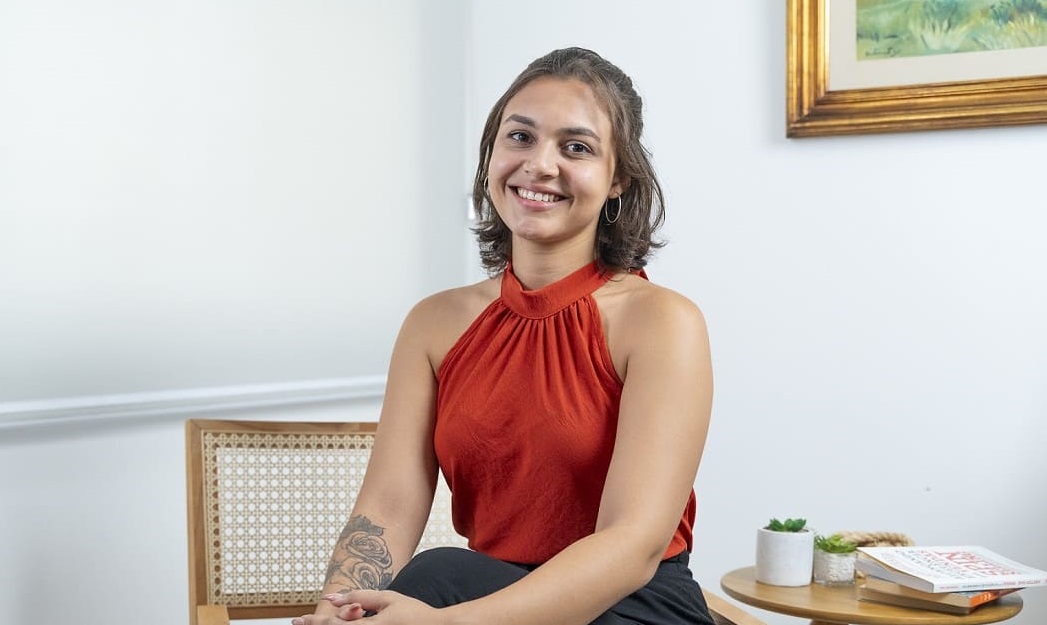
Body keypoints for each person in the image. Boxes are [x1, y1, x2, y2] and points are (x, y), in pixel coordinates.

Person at [293, 46, 714, 625]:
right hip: (485, 593)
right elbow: (388, 505)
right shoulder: (433, 325)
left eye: (576, 147)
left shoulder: (663, 322)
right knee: (439, 573)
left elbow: (633, 546)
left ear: (617, 179)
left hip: (629, 605)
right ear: (492, 153)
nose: (540, 165)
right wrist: (333, 612)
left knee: (441, 580)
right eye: (520, 137)